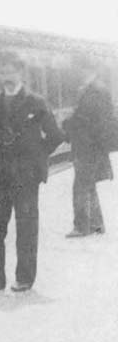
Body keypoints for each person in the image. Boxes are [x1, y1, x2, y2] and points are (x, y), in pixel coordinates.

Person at [0, 53, 64, 293]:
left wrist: (35, 156)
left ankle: (24, 278)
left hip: (25, 176)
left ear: (21, 73)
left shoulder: (36, 102)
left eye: (11, 71)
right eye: (2, 72)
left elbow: (54, 136)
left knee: (26, 229)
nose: (6, 77)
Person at [62, 67, 115, 237]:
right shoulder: (93, 89)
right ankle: (97, 224)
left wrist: (69, 122)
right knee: (88, 185)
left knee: (81, 186)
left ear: (87, 71)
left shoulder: (94, 92)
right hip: (90, 146)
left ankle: (82, 226)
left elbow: (91, 120)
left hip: (89, 147)